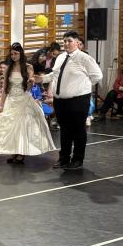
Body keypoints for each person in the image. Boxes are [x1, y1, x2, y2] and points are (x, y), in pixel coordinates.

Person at [37, 31, 103, 170]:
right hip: (60, 100)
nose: (66, 43)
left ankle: (78, 159)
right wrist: (42, 79)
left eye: (69, 41)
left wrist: (82, 86)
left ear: (77, 43)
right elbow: (54, 75)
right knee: (65, 130)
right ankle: (64, 158)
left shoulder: (84, 58)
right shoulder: (61, 57)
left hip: (78, 100)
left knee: (78, 130)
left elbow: (97, 76)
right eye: (65, 41)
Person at [0, 43, 56, 164]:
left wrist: (31, 82)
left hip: (23, 99)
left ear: (21, 53)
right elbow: (5, 88)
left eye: (16, 53)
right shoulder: (8, 68)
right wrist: (1, 105)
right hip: (11, 99)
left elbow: (29, 87)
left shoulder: (28, 67)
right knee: (11, 128)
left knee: (22, 127)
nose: (13, 56)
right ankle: (14, 151)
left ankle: (21, 153)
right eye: (12, 54)